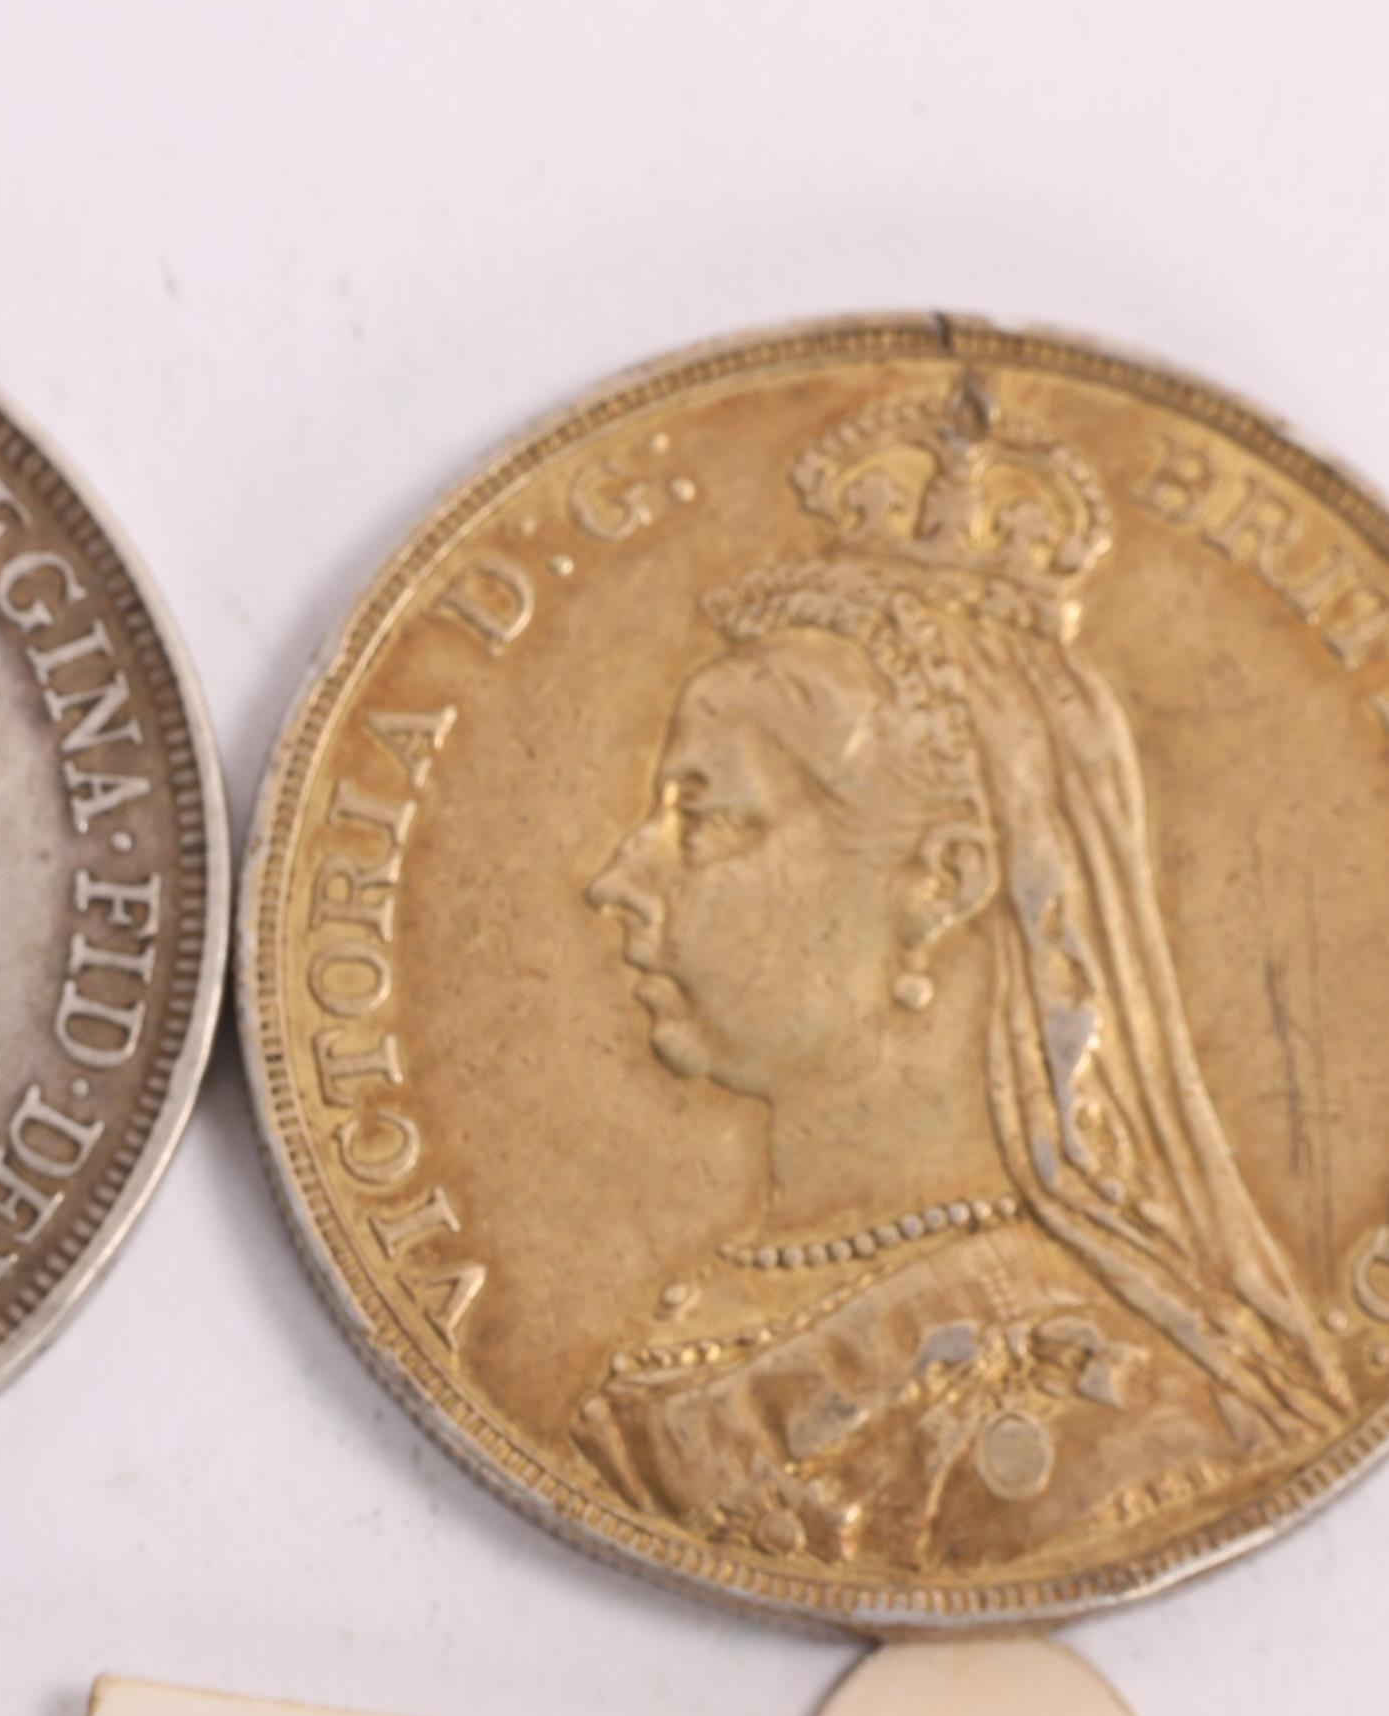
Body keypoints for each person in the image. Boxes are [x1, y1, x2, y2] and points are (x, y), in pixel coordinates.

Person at [574, 376, 1345, 1574]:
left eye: (704, 818)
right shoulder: (727, 1302)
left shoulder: (1111, 1429)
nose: (616, 880)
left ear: (941, 883)